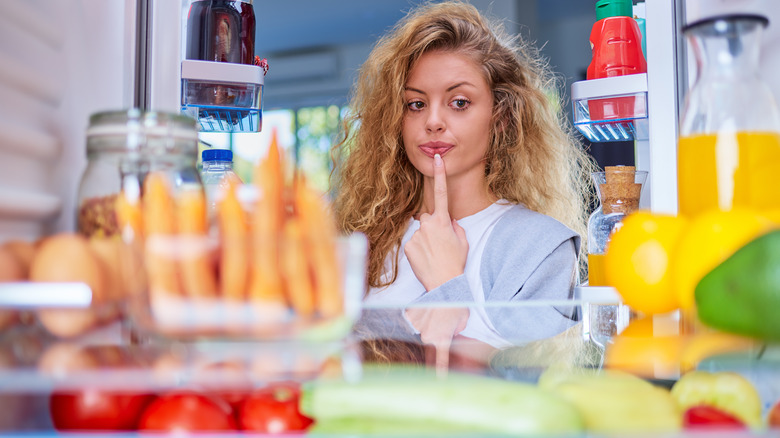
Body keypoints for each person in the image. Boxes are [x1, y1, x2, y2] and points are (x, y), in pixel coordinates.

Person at [330, 0, 596, 371]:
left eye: (459, 102)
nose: (433, 121)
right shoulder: (366, 237)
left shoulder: (541, 248)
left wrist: (448, 287)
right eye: (415, 104)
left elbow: (510, 389)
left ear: (500, 116)